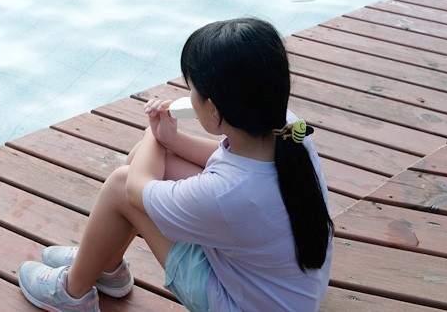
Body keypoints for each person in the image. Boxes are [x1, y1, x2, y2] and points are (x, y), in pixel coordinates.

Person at [18, 17, 334, 312]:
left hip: (239, 303)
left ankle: (73, 292)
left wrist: (151, 132)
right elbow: (223, 161)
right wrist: (171, 140)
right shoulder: (288, 130)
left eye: (192, 90)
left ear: (213, 109)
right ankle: (104, 265)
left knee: (120, 183)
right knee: (155, 161)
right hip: (284, 290)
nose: (189, 97)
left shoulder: (226, 195)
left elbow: (133, 188)